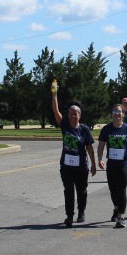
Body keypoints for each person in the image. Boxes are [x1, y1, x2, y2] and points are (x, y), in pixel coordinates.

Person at [52, 86, 97, 228]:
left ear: (79, 116)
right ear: (68, 115)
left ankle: (81, 211)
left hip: (81, 167)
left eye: (75, 114)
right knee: (68, 191)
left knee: (81, 190)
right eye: (71, 114)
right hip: (66, 166)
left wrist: (94, 164)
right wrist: (54, 94)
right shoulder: (65, 126)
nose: (73, 116)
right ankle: (69, 216)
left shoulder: (84, 129)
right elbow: (56, 111)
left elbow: (89, 148)